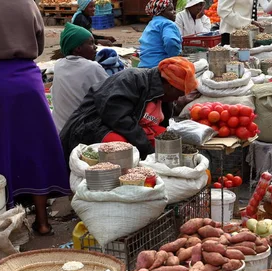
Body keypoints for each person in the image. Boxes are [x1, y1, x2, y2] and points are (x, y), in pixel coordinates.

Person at [0, 0, 71, 236]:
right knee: (35, 147)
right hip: (28, 81)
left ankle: (9, 225)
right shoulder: (27, 2)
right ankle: (43, 221)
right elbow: (38, 48)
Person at [59, 57, 197, 161]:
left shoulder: (162, 94)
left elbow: (160, 126)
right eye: (178, 94)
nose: (176, 99)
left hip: (128, 125)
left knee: (165, 138)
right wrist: (146, 149)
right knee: (120, 147)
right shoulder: (132, 79)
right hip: (93, 126)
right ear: (170, 86)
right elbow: (118, 119)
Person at [51, 23, 109, 133]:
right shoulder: (92, 67)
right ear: (78, 48)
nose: (95, 47)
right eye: (91, 43)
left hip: (58, 130)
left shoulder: (58, 65)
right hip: (80, 132)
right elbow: (110, 96)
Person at [138, 0, 182, 68]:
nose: (174, 12)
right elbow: (170, 41)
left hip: (144, 65)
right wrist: (176, 57)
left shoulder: (151, 24)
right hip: (159, 67)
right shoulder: (167, 23)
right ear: (161, 12)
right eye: (170, 10)